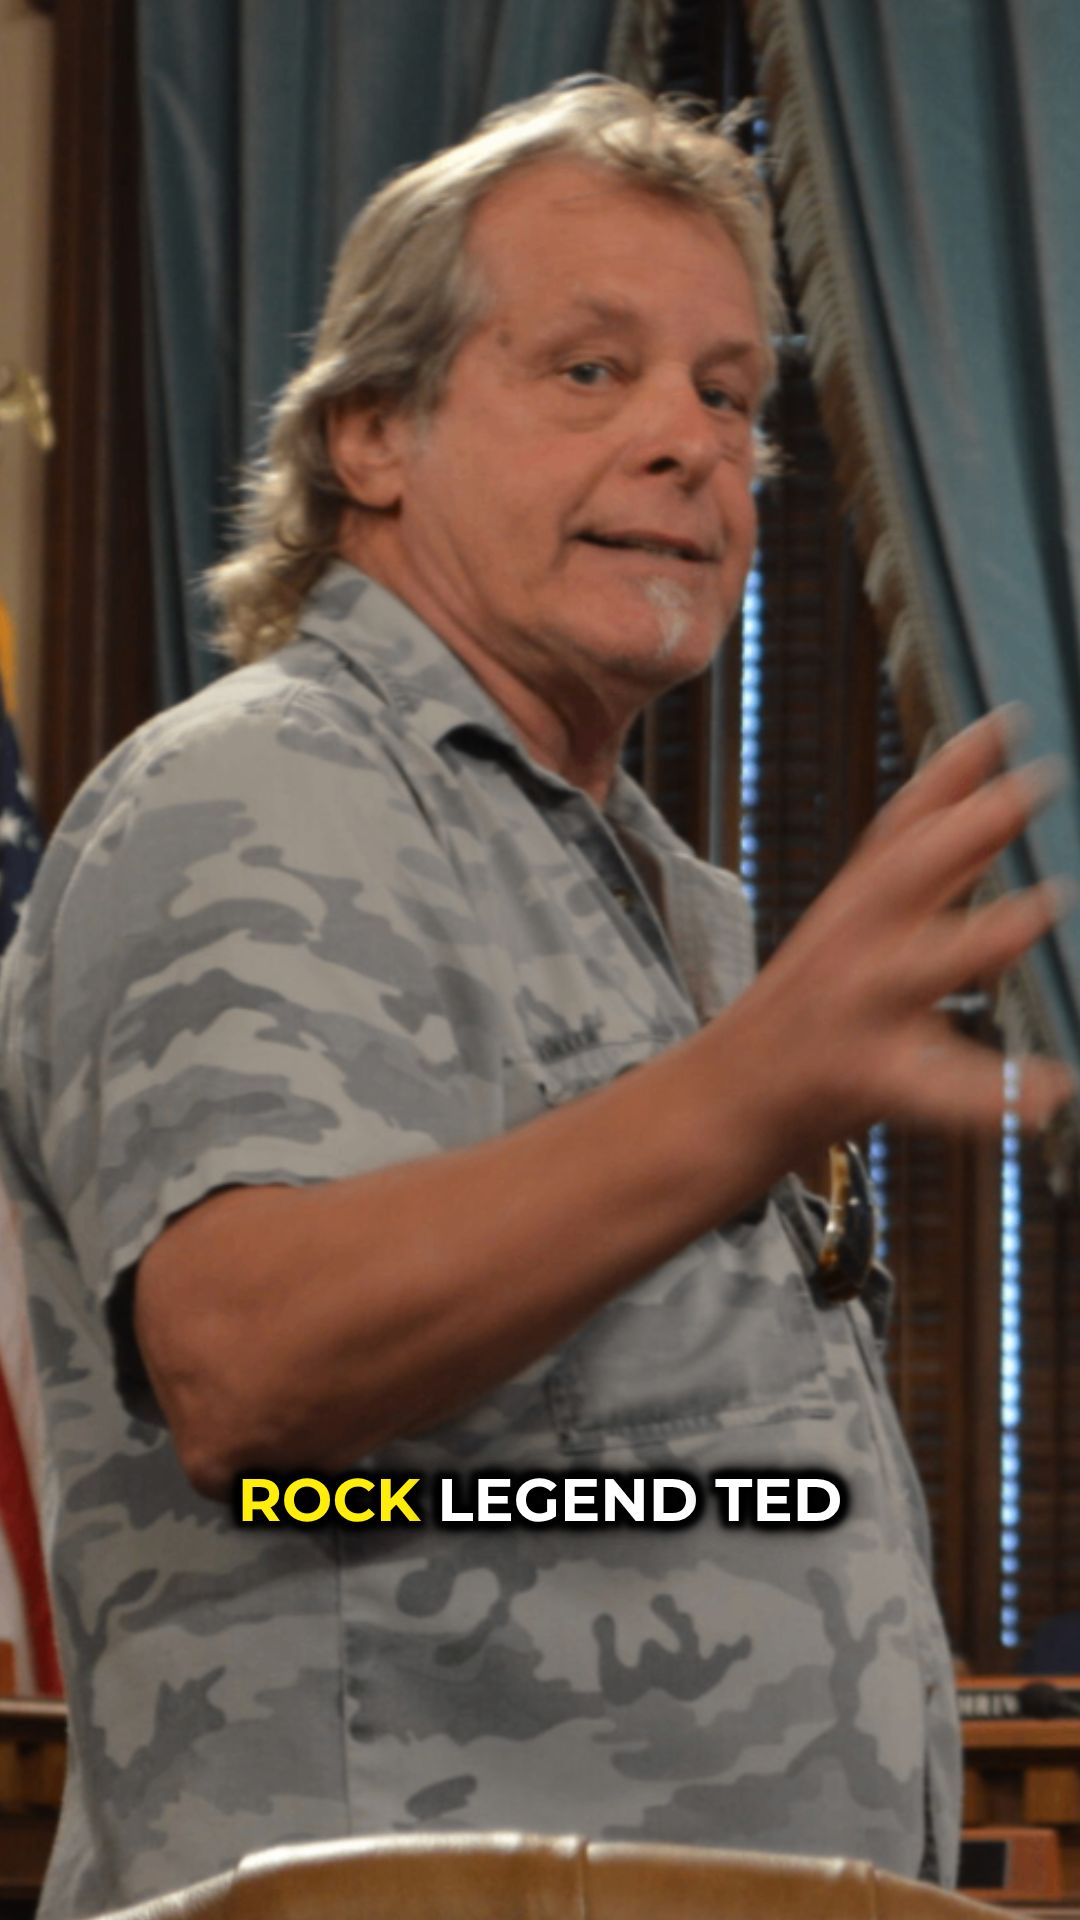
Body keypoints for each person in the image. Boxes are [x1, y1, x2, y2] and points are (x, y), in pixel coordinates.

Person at [0, 80, 1072, 1919]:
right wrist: (747, 1094)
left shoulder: (641, 884)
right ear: (371, 433)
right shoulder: (259, 787)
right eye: (591, 371)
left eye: (729, 396)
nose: (691, 446)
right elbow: (248, 1370)